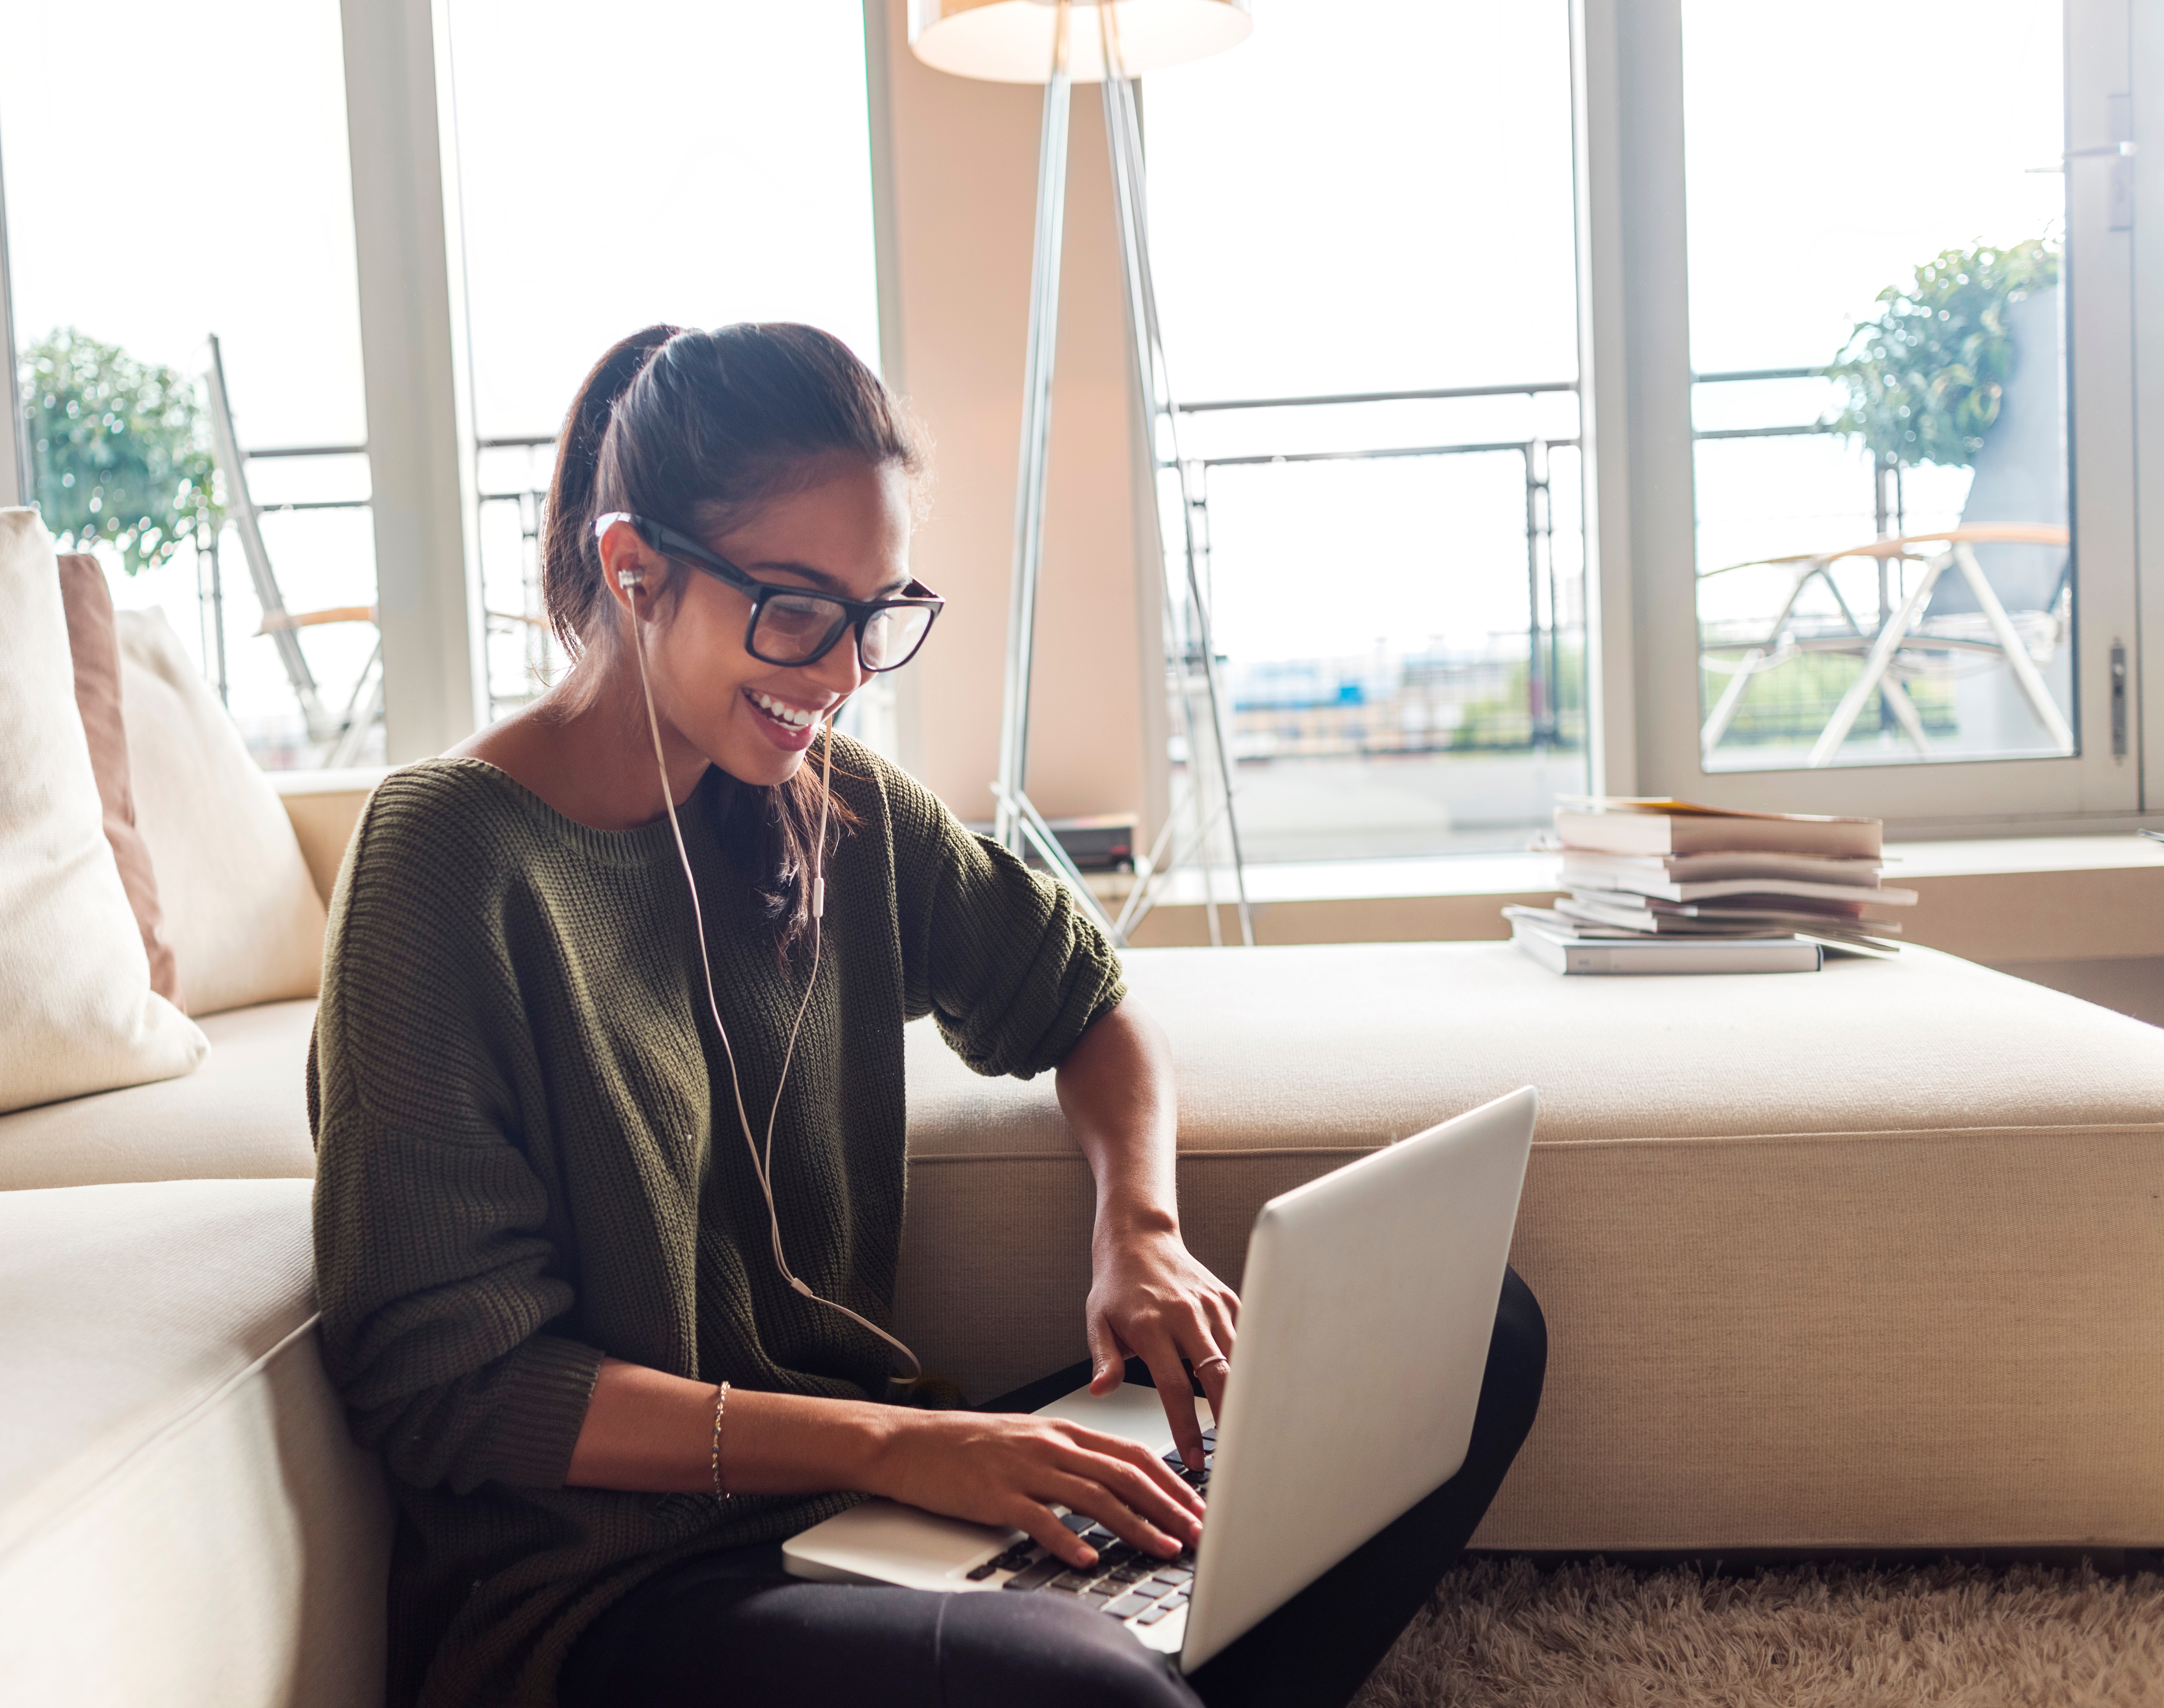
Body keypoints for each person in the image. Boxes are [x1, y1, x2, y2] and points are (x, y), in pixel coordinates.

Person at [309, 322, 1545, 1708]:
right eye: (796, 609)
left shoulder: (834, 808)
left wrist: (1138, 1233)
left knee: (1466, 1337)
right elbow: (449, 1383)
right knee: (1092, 1693)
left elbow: (1089, 1002)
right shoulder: (445, 859)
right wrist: (899, 1450)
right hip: (616, 1599)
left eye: (878, 611)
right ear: (633, 566)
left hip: (878, 1505)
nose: (843, 672)